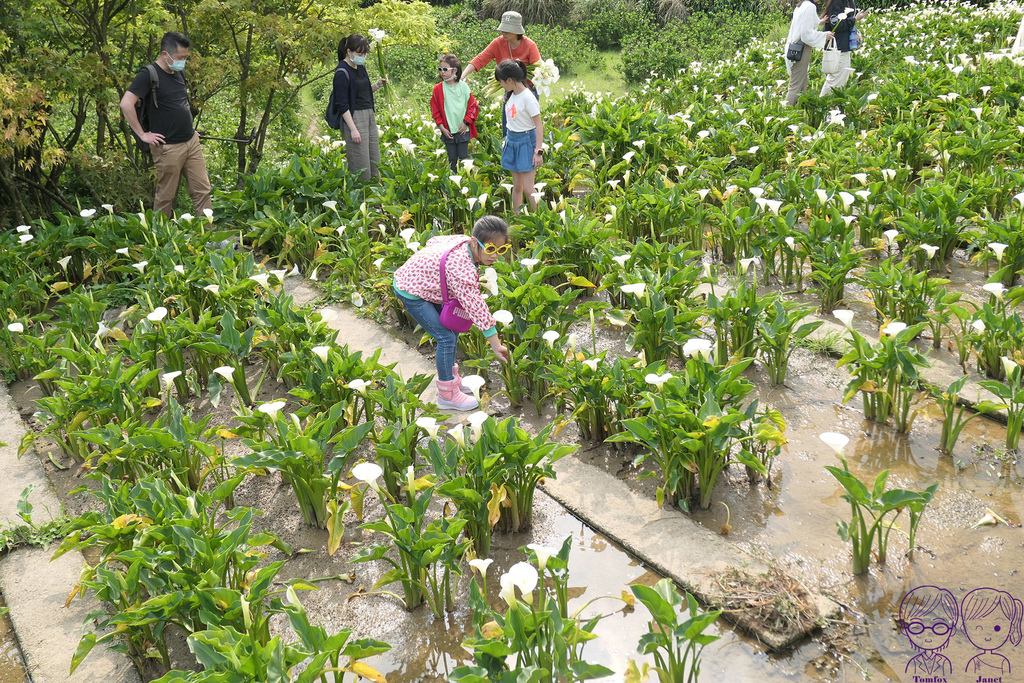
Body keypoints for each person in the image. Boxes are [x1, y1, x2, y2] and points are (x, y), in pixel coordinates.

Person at [392, 216, 511, 411]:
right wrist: (495, 344)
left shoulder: (464, 241)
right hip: (411, 290)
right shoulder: (462, 269)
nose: (495, 255)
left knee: (451, 330)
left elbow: (434, 241)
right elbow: (476, 307)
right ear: (475, 242)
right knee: (445, 337)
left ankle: (452, 379)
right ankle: (447, 395)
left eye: (502, 249)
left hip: (425, 284)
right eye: (490, 249)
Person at [120, 31, 212, 217]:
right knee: (166, 196)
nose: (183, 61)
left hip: (191, 142)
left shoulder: (179, 72)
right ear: (165, 54)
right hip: (167, 147)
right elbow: (125, 103)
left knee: (202, 190)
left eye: (185, 57)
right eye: (180, 57)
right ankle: (161, 239)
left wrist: (191, 131)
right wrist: (143, 134)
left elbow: (179, 104)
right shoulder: (149, 74)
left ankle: (210, 236)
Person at [461, 11, 541, 134]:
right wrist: (464, 75)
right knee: (509, 126)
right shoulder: (498, 43)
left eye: (508, 30)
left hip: (528, 90)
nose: (504, 32)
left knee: (528, 128)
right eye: (503, 29)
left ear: (517, 31)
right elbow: (481, 59)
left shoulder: (530, 46)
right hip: (509, 91)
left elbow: (538, 69)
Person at [333, 34, 386, 181]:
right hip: (354, 118)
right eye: (359, 53)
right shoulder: (341, 72)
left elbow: (359, 92)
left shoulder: (360, 67)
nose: (363, 56)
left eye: (364, 53)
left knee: (374, 158)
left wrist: (376, 86)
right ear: (349, 52)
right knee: (360, 162)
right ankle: (363, 197)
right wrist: (353, 129)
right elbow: (342, 104)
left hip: (369, 115)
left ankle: (376, 200)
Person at [495, 60, 543, 214]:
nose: (501, 85)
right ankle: (518, 220)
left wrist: (538, 152)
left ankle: (542, 221)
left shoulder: (528, 97)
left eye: (502, 82)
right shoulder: (511, 94)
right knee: (517, 187)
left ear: (510, 80)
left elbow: (539, 125)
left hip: (526, 141)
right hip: (512, 140)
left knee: (529, 188)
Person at [430, 54, 480, 173]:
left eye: (445, 69)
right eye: (440, 69)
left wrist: (466, 123)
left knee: (464, 158)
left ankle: (465, 184)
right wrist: (442, 128)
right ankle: (453, 185)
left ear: (455, 70)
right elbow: (435, 110)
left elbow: (473, 107)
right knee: (452, 159)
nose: (442, 72)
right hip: (448, 131)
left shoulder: (463, 87)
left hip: (462, 129)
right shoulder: (438, 89)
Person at [897, 585, 959, 677]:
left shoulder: (945, 662)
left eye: (938, 628)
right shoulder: (912, 662)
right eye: (917, 628)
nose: (928, 632)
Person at [783, 0, 834, 107]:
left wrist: (820, 22)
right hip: (801, 47)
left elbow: (804, 24)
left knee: (802, 82)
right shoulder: (810, 7)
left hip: (795, 46)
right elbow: (805, 34)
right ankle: (786, 116)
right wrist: (824, 35)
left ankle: (799, 114)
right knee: (795, 85)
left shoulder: (801, 5)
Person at [961, 587, 1022, 675]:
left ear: (1011, 629)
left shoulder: (1003, 661)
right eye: (978, 628)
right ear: (964, 628)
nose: (987, 637)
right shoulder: (974, 661)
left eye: (997, 628)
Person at [820, 0, 867, 96]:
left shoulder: (847, 1)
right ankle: (822, 104)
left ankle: (833, 107)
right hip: (838, 48)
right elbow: (837, 25)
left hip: (843, 46)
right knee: (835, 80)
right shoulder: (837, 2)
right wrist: (855, 20)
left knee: (841, 79)